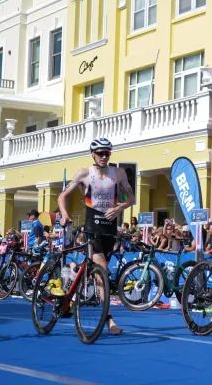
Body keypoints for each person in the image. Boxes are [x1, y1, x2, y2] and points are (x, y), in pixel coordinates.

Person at [58, 138, 136, 336]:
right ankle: (109, 320)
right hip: (92, 228)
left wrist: (120, 207)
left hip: (110, 230)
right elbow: (62, 196)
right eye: (100, 153)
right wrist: (65, 215)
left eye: (107, 153)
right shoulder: (84, 173)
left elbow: (131, 197)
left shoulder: (118, 173)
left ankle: (73, 280)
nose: (103, 156)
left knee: (98, 272)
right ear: (92, 154)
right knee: (102, 271)